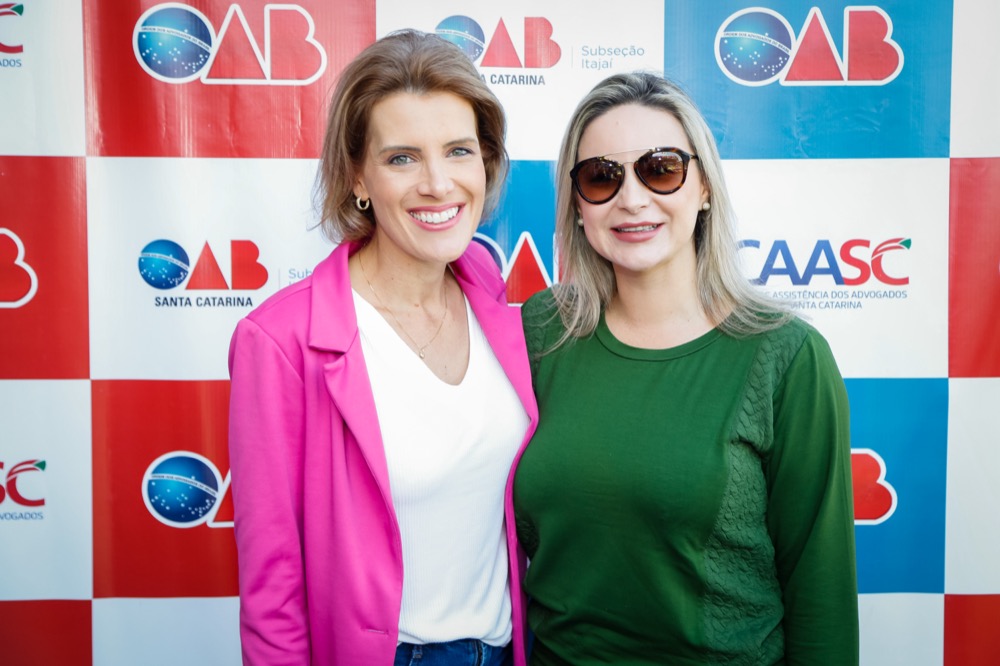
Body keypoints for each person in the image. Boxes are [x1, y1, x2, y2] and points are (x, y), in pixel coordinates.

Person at [513, 71, 859, 665]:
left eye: (661, 168)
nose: (631, 198)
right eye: (601, 176)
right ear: (577, 205)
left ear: (703, 188)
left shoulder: (786, 356)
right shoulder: (541, 330)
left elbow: (820, 592)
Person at [228, 30, 538, 666]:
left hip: (511, 650)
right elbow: (272, 587)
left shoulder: (496, 302)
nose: (438, 184)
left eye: (458, 151)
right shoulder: (281, 341)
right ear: (357, 177)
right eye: (402, 158)